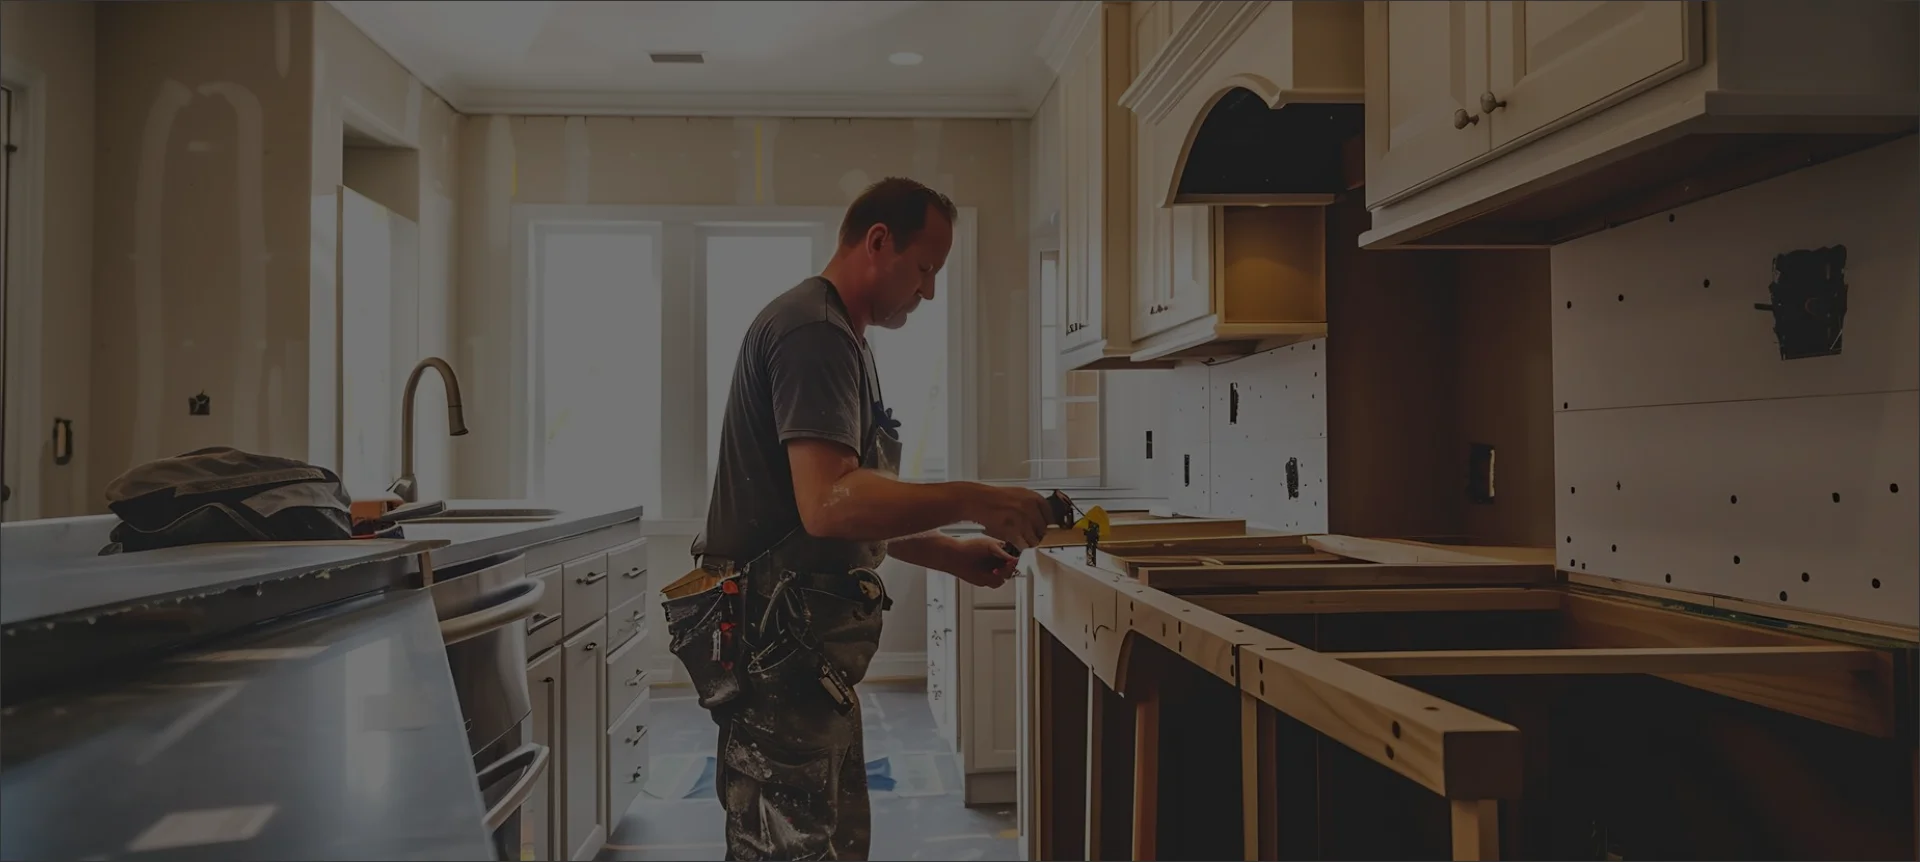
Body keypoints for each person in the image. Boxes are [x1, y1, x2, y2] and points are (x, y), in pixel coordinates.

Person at [689, 176, 1056, 861]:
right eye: (925, 268)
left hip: (805, 656)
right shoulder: (812, 334)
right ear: (878, 242)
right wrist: (979, 498)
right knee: (789, 850)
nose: (930, 290)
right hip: (779, 655)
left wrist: (946, 550)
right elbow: (830, 504)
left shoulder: (846, 341)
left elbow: (843, 507)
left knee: (829, 840)